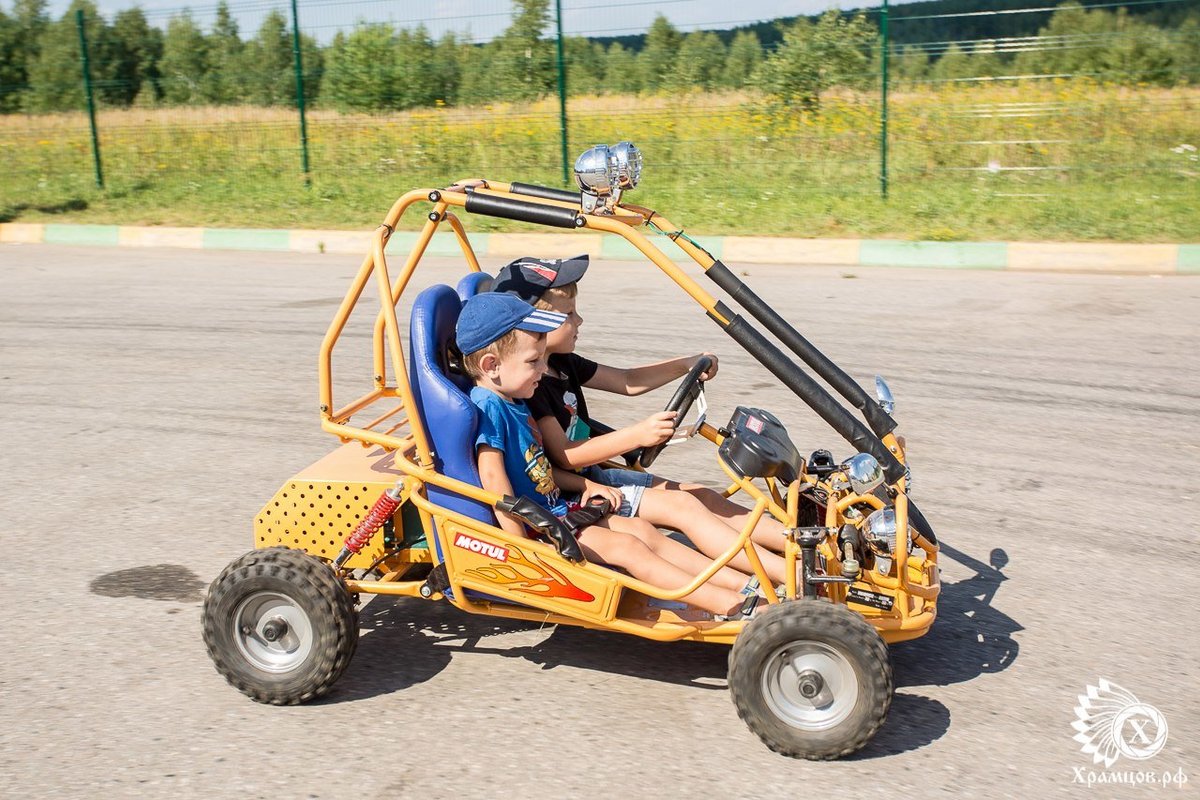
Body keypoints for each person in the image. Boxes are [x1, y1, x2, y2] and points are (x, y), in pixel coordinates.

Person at [455, 291, 762, 619]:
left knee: (642, 532)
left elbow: (536, 469)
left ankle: (742, 586)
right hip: (538, 528)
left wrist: (585, 486)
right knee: (628, 547)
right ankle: (731, 607)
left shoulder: (513, 400)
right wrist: (521, 551)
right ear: (492, 366)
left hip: (560, 510)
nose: (543, 369)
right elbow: (493, 479)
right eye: (534, 361)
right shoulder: (489, 408)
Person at [492, 255, 796, 587]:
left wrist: (686, 363)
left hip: (595, 475)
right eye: (568, 315)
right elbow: (565, 455)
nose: (579, 320)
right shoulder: (531, 386)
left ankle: (798, 543)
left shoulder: (561, 363)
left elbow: (626, 380)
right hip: (576, 490)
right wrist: (639, 434)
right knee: (683, 507)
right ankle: (787, 576)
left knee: (702, 496)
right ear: (533, 321)